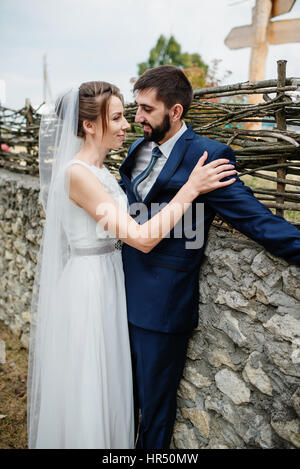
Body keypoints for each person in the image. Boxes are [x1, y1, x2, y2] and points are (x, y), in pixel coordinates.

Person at [27, 80, 236, 449]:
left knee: (112, 382)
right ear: (90, 125)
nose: (129, 125)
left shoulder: (105, 172)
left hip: (112, 280)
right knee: (90, 384)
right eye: (119, 117)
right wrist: (190, 189)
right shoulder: (78, 176)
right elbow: (139, 237)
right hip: (89, 287)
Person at [119, 65, 300, 449]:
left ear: (176, 111)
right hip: (117, 292)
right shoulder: (137, 148)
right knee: (119, 400)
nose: (137, 118)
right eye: (136, 107)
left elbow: (257, 221)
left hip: (162, 308)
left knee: (153, 415)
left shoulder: (208, 156)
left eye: (146, 109)